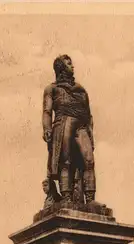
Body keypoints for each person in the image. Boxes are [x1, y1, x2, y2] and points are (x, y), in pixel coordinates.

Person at [42, 54, 96, 203]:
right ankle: (66, 197)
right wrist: (47, 128)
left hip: (81, 126)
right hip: (63, 122)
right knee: (64, 161)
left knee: (89, 160)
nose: (72, 66)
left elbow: (89, 114)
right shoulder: (51, 89)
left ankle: (90, 199)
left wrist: (91, 133)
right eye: (68, 64)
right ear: (61, 68)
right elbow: (47, 111)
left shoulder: (80, 90)